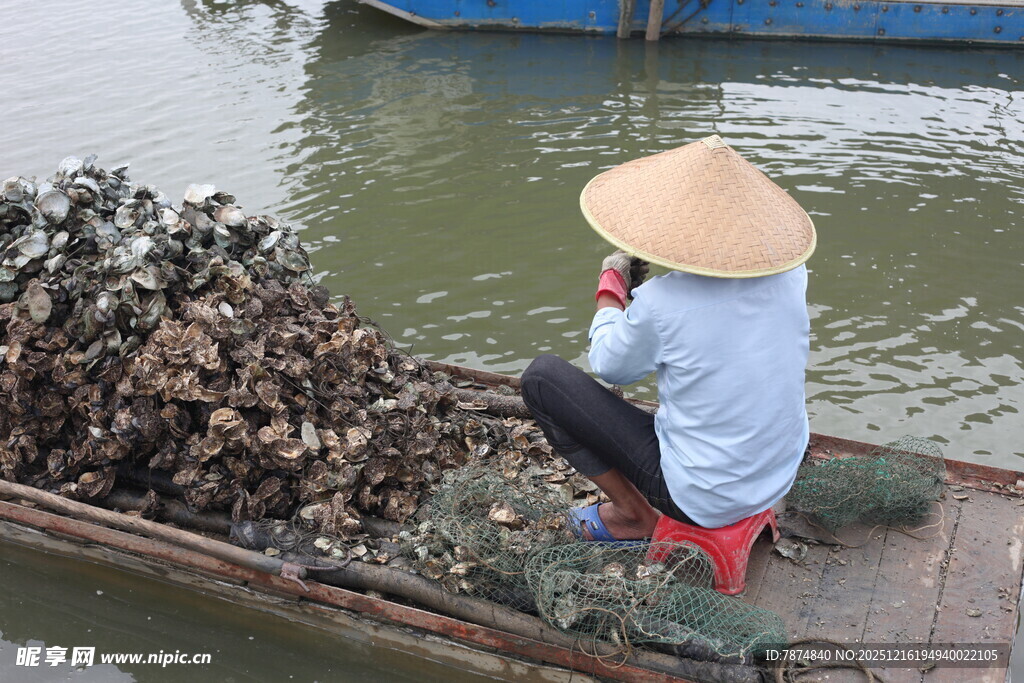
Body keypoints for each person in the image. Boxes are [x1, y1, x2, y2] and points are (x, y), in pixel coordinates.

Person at [520, 135, 816, 541]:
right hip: (779, 471)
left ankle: (632, 515)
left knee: (542, 379)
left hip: (703, 499)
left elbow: (610, 366)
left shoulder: (663, 302)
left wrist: (611, 289)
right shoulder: (791, 273)